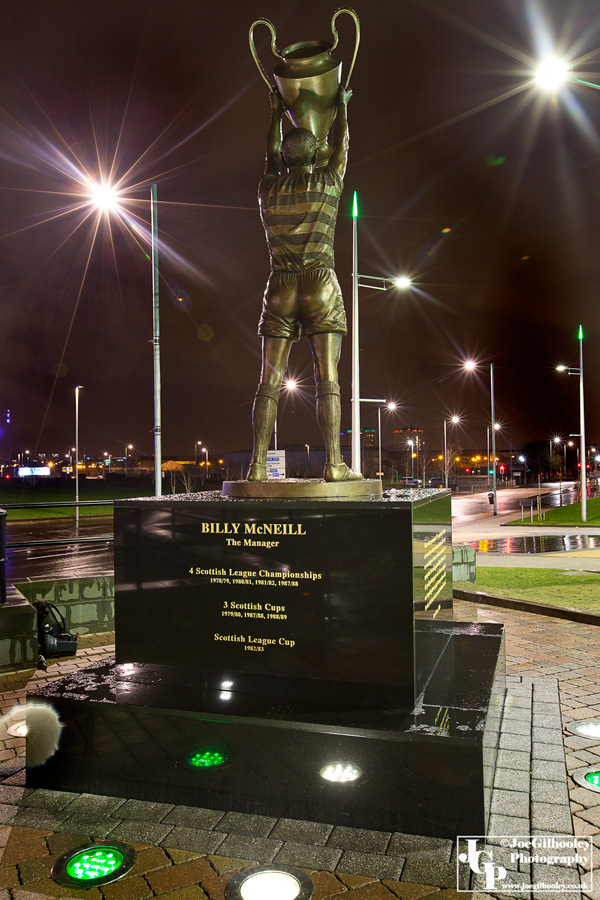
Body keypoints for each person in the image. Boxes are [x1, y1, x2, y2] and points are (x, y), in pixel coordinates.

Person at [247, 85, 361, 483]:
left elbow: (270, 154)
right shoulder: (328, 183)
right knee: (326, 375)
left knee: (268, 380)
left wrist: (276, 111)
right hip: (319, 282)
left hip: (279, 284)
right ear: (315, 155)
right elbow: (342, 145)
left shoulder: (267, 190)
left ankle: (258, 466)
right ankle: (333, 463)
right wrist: (342, 108)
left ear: (284, 158)